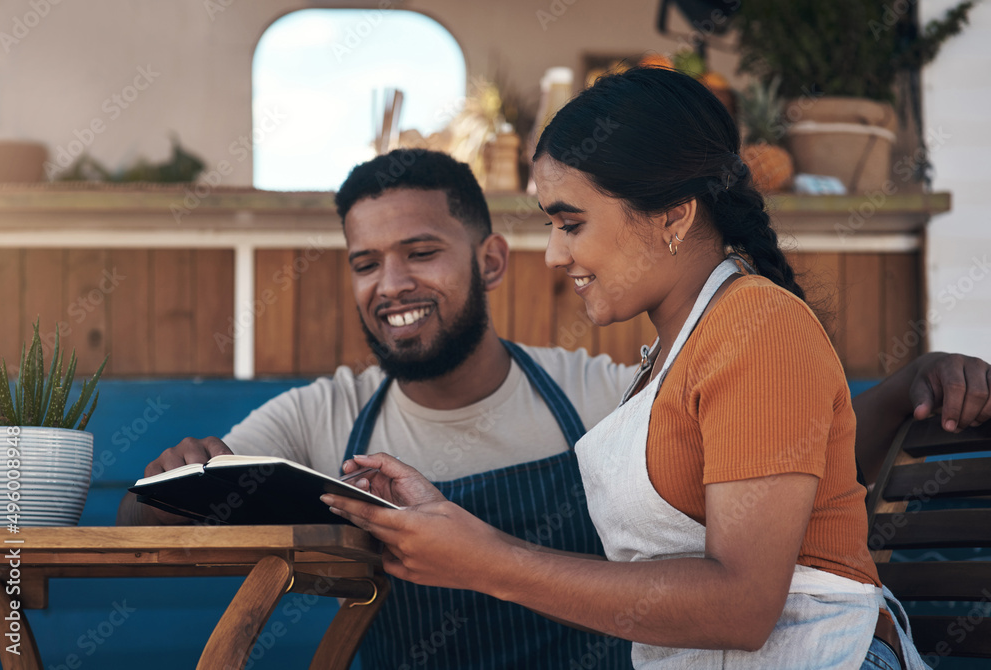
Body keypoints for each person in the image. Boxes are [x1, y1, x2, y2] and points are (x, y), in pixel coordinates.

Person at [117, 147, 990, 670]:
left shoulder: (603, 393)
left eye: (422, 252)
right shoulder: (319, 419)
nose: (392, 286)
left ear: (491, 260)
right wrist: (168, 479)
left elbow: (787, 457)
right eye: (364, 262)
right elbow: (142, 523)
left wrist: (912, 384)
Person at [321, 72, 984, 669]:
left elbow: (742, 607)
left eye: (571, 222)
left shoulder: (754, 324)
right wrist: (457, 533)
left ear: (672, 217)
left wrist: (486, 562)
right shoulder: (669, 356)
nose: (554, 255)